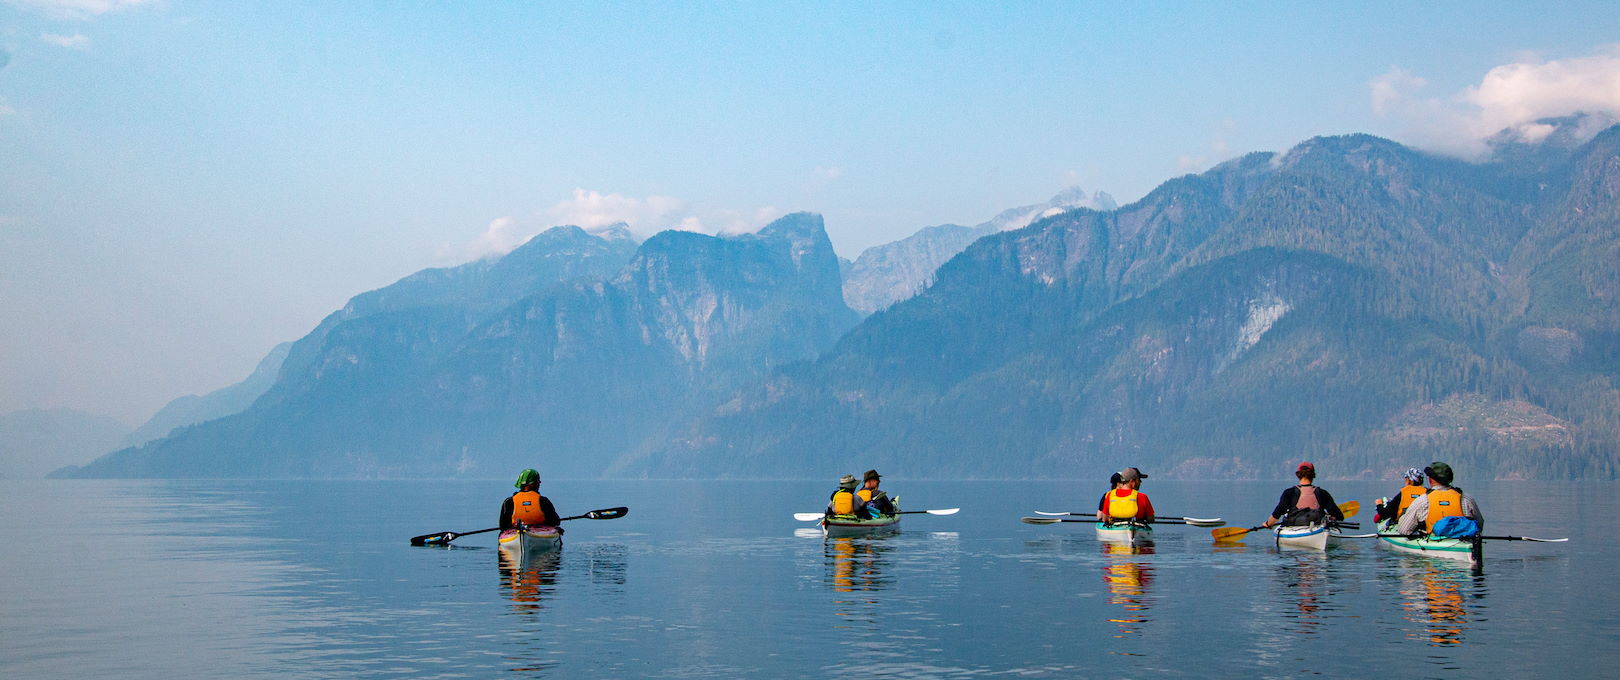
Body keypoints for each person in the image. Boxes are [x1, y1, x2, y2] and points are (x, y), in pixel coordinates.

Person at [1397, 462, 1484, 535]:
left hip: (1432, 543)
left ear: (1430, 480)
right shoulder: (1467, 499)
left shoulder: (1422, 501)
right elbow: (1479, 525)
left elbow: (1404, 530)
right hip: (1463, 541)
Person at [1261, 462, 1344, 528]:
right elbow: (1339, 516)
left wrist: (1268, 524)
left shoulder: (1289, 492)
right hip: (1317, 526)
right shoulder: (1322, 493)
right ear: (1313, 475)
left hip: (1294, 526)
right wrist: (1330, 517)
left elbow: (1278, 512)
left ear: (1298, 475)